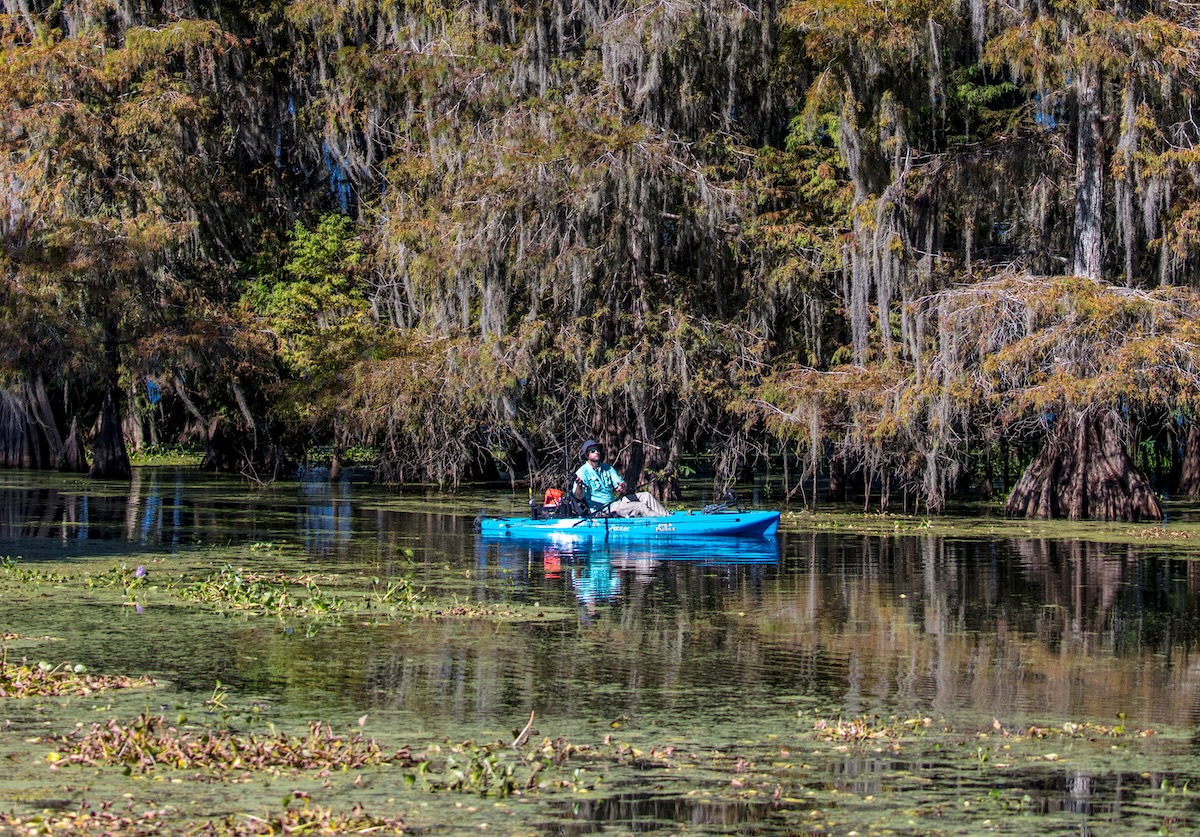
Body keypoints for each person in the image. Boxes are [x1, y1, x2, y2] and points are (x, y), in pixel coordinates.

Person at [572, 440, 669, 518]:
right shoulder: (581, 473)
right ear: (586, 455)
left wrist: (622, 486)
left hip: (615, 502)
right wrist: (579, 486)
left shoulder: (608, 468)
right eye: (592, 451)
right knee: (640, 506)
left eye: (597, 450)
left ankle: (668, 517)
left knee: (646, 496)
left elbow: (620, 483)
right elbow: (579, 497)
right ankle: (661, 523)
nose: (596, 452)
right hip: (602, 509)